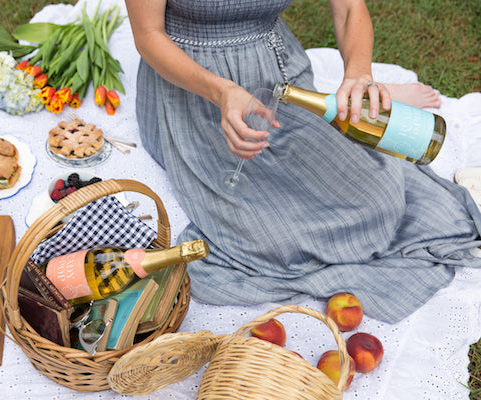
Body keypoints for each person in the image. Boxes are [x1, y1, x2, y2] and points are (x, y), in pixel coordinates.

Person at [125, 0, 480, 323]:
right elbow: (148, 35)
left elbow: (349, 8)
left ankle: (363, 95)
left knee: (381, 201)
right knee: (269, 239)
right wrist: (222, 93)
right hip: (193, 86)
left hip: (279, 77)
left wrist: (359, 73)